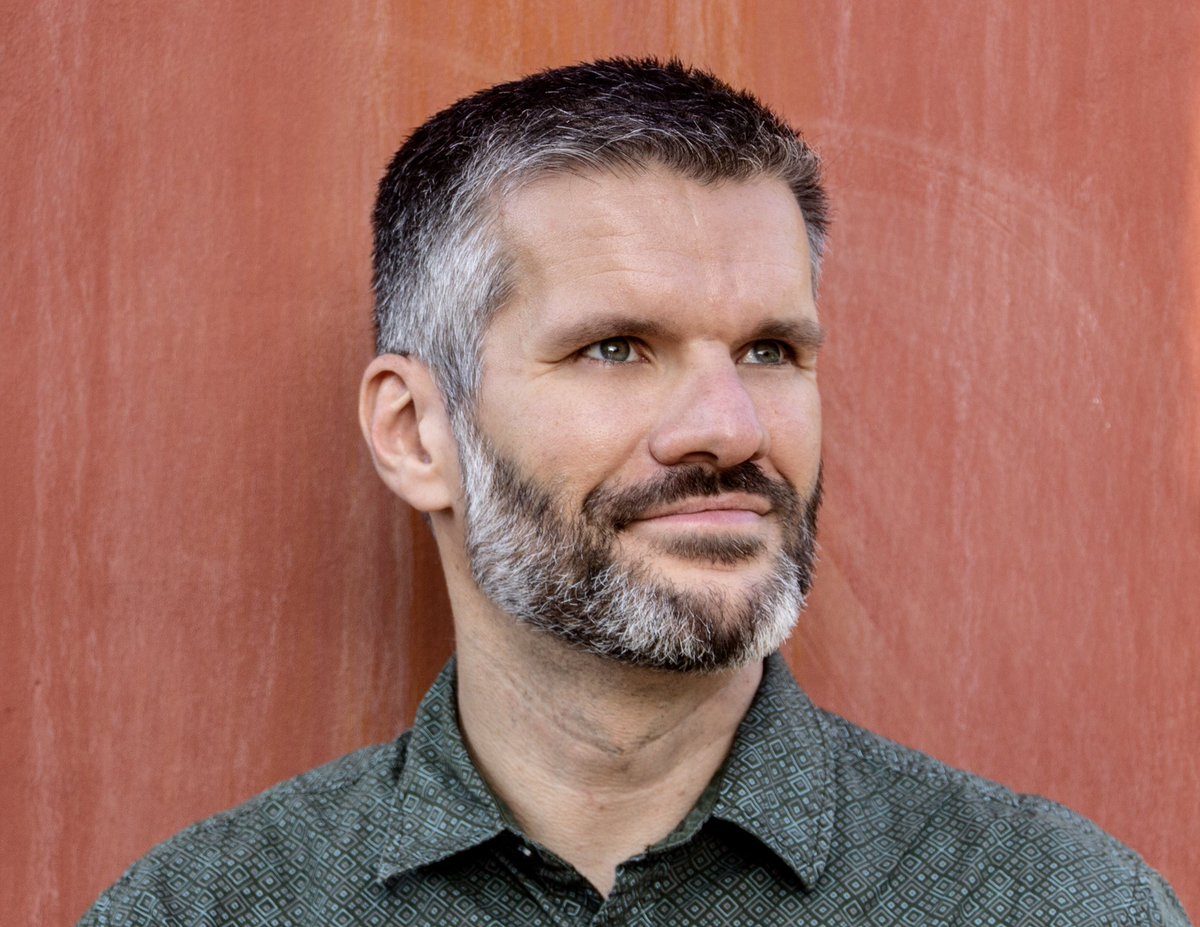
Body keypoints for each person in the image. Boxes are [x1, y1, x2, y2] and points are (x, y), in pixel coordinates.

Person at [80, 57, 1189, 926]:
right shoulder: (203, 910)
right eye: (616, 349)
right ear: (417, 434)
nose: (730, 428)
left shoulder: (1060, 905)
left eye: (769, 352)